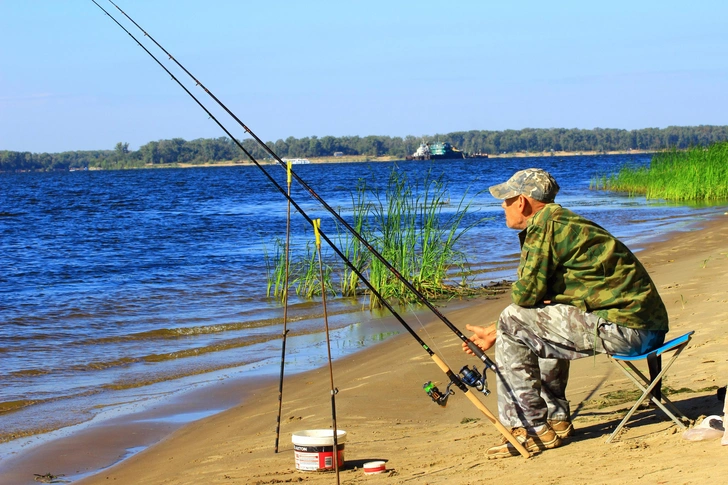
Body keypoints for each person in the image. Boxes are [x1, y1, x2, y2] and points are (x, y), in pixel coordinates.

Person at [463, 168, 668, 458]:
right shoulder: (563, 221)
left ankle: (530, 428)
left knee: (513, 317)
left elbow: (523, 296)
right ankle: (555, 419)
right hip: (645, 327)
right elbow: (539, 303)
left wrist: (501, 328)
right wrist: (495, 329)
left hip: (628, 331)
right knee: (534, 317)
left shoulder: (545, 227)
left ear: (522, 202)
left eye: (506, 200)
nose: (502, 206)